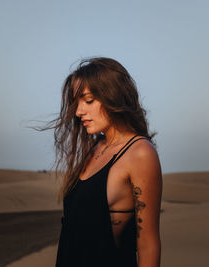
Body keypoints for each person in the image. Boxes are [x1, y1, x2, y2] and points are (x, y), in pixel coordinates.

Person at [35, 57, 162, 267]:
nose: (78, 112)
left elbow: (148, 245)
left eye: (89, 100)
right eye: (76, 103)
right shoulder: (93, 148)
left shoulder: (139, 153)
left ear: (114, 96)